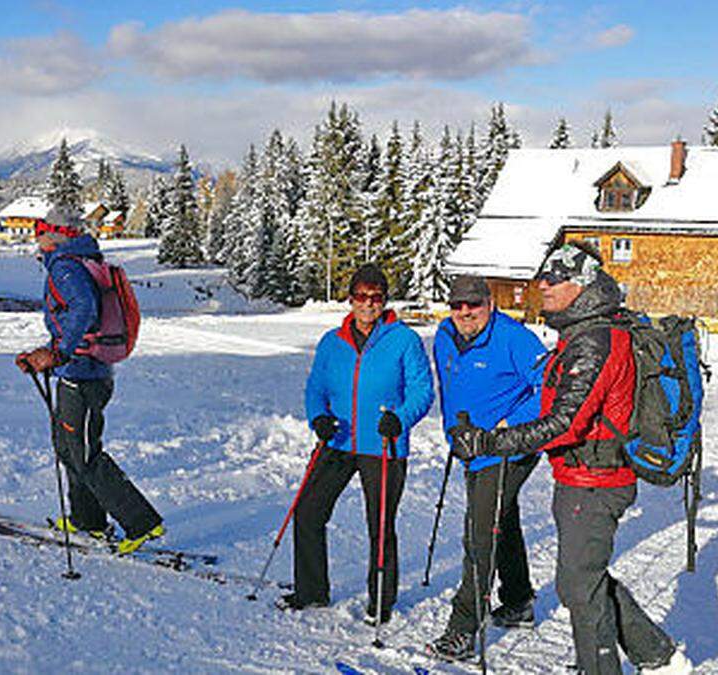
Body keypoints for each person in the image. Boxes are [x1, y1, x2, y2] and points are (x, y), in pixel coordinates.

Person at [446, 242, 692, 674]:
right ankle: (657, 654)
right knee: (585, 577)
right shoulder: (586, 331)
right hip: (584, 474)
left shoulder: (593, 340)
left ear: (579, 284)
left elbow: (565, 423)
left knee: (578, 585)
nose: (542, 286)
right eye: (543, 276)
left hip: (597, 478)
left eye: (552, 278)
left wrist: (490, 442)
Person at [276, 264, 434, 625]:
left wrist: (400, 418)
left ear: (385, 300)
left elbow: (422, 391)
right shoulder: (332, 342)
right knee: (309, 511)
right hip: (339, 439)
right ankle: (312, 592)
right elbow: (316, 387)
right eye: (361, 296)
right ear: (350, 299)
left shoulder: (403, 340)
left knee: (380, 523)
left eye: (376, 297)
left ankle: (381, 602)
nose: (368, 304)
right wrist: (318, 417)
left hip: (383, 443)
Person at [16, 209, 164, 555]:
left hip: (83, 374)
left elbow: (84, 308)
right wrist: (53, 352)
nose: (36, 237)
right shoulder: (77, 260)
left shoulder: (66, 265)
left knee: (83, 452)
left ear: (55, 235)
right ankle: (88, 520)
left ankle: (143, 522)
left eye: (40, 230)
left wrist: (60, 352)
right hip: (79, 371)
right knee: (67, 447)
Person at [426, 276, 547, 661]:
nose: (465, 313)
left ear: (489, 304)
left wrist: (507, 427)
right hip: (470, 447)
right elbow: (451, 387)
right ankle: (517, 602)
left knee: (479, 534)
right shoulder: (445, 335)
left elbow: (550, 387)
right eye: (457, 306)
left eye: (473, 305)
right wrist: (453, 432)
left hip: (509, 447)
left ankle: (462, 631)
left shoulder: (514, 338)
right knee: (500, 517)